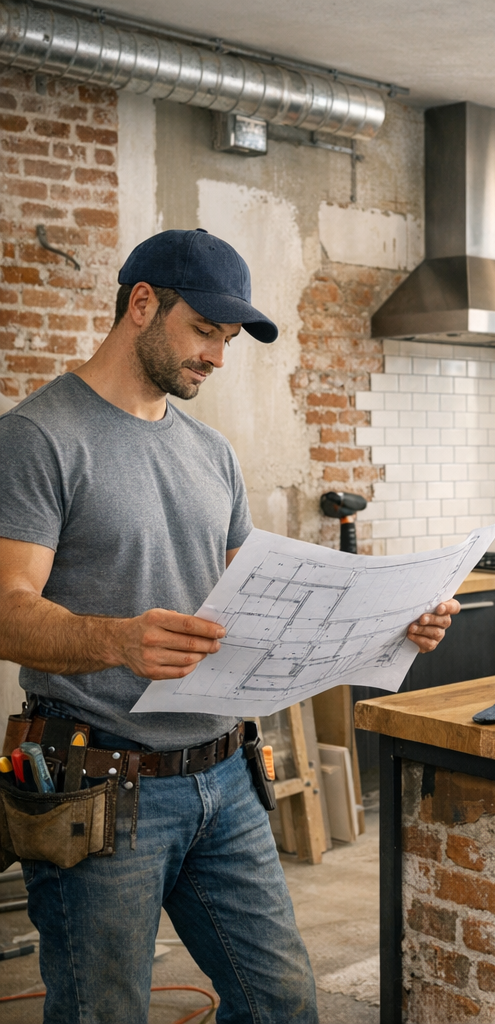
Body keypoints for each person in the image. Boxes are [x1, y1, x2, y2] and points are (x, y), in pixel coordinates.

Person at [0, 228, 459, 1024]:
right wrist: (116, 638)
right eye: (205, 330)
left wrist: (393, 624)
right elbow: (7, 608)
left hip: (226, 779)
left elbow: (277, 604)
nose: (217, 354)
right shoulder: (39, 436)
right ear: (142, 304)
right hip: (103, 789)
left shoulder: (210, 452)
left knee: (282, 1003)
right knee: (101, 1013)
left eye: (228, 339)